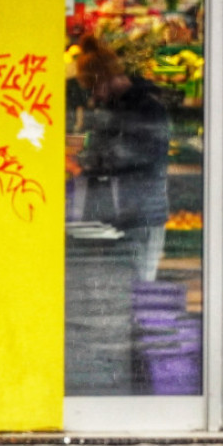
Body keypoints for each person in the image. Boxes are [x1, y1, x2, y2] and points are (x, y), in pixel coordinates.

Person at [74, 34, 170, 281]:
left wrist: (97, 158)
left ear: (105, 79)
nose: (94, 97)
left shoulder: (148, 107)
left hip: (143, 214)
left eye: (94, 89)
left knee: (140, 285)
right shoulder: (116, 107)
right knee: (123, 286)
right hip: (121, 214)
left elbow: (144, 155)